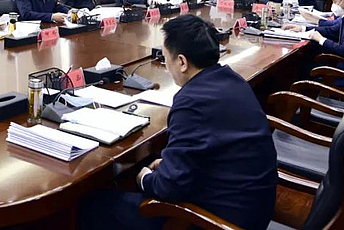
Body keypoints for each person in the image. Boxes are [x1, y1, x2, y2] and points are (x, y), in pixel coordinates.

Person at [77, 15, 277, 230]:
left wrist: (145, 178)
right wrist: (169, 164)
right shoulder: (231, 79)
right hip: (253, 208)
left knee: (91, 204)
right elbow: (209, 146)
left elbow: (168, 188)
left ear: (182, 62)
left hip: (219, 221)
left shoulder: (191, 102)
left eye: (165, 58)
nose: (166, 66)